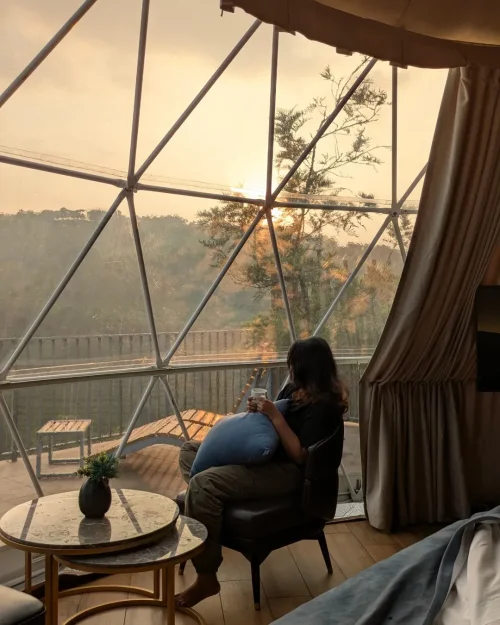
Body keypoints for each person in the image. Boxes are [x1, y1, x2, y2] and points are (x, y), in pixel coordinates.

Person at [176, 337, 347, 608]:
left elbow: (300, 456)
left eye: (294, 364)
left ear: (308, 368)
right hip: (265, 457)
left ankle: (206, 576)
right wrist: (260, 413)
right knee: (189, 452)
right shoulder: (295, 389)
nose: (290, 369)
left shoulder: (324, 406)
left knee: (202, 484)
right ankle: (211, 503)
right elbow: (273, 423)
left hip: (288, 472)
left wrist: (274, 416)